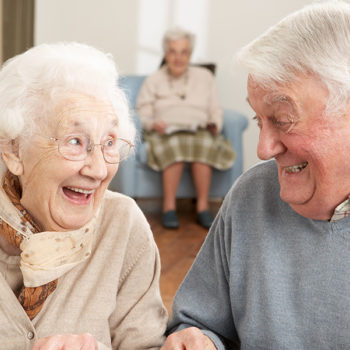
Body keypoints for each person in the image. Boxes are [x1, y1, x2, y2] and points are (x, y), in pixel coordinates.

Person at [161, 1, 350, 349]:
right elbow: (198, 321)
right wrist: (196, 340)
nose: (263, 150)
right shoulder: (252, 194)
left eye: (281, 118)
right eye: (258, 120)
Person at [0, 42, 167, 349]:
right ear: (14, 150)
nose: (99, 170)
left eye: (109, 142)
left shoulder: (122, 225)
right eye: (75, 141)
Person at [136, 27, 235, 229]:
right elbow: (142, 111)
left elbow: (215, 108)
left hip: (198, 129)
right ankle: (169, 208)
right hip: (165, 132)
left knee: (204, 144)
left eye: (184, 52)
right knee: (175, 146)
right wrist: (153, 123)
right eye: (173, 52)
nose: (178, 58)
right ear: (166, 54)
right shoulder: (153, 80)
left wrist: (215, 124)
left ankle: (203, 208)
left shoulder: (204, 77)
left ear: (190, 54)